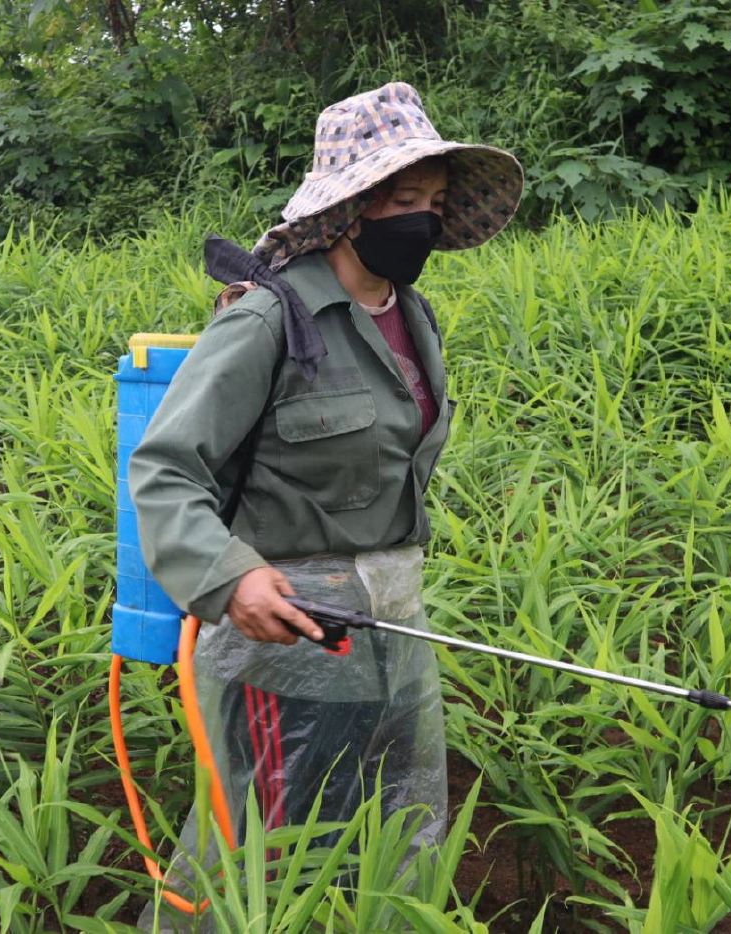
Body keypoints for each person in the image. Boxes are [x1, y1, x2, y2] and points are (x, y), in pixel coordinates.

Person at [128, 81, 522, 928]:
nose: (421, 219)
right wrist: (231, 579)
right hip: (284, 641)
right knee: (257, 857)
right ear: (349, 208)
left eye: (436, 202)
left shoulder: (410, 317)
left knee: (394, 834)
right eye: (404, 199)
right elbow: (164, 469)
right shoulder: (269, 320)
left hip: (391, 628)